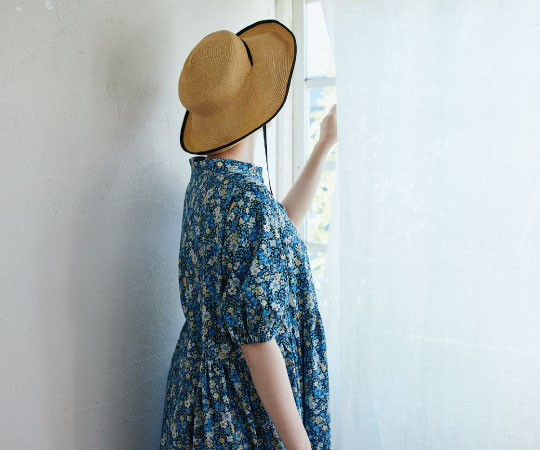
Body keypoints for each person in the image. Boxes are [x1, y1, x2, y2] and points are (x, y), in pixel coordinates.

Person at [160, 19, 337, 450]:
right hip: (241, 410)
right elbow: (258, 344)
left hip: (198, 396)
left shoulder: (207, 184)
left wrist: (322, 146)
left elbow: (277, 232)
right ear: (256, 107)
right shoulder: (247, 203)